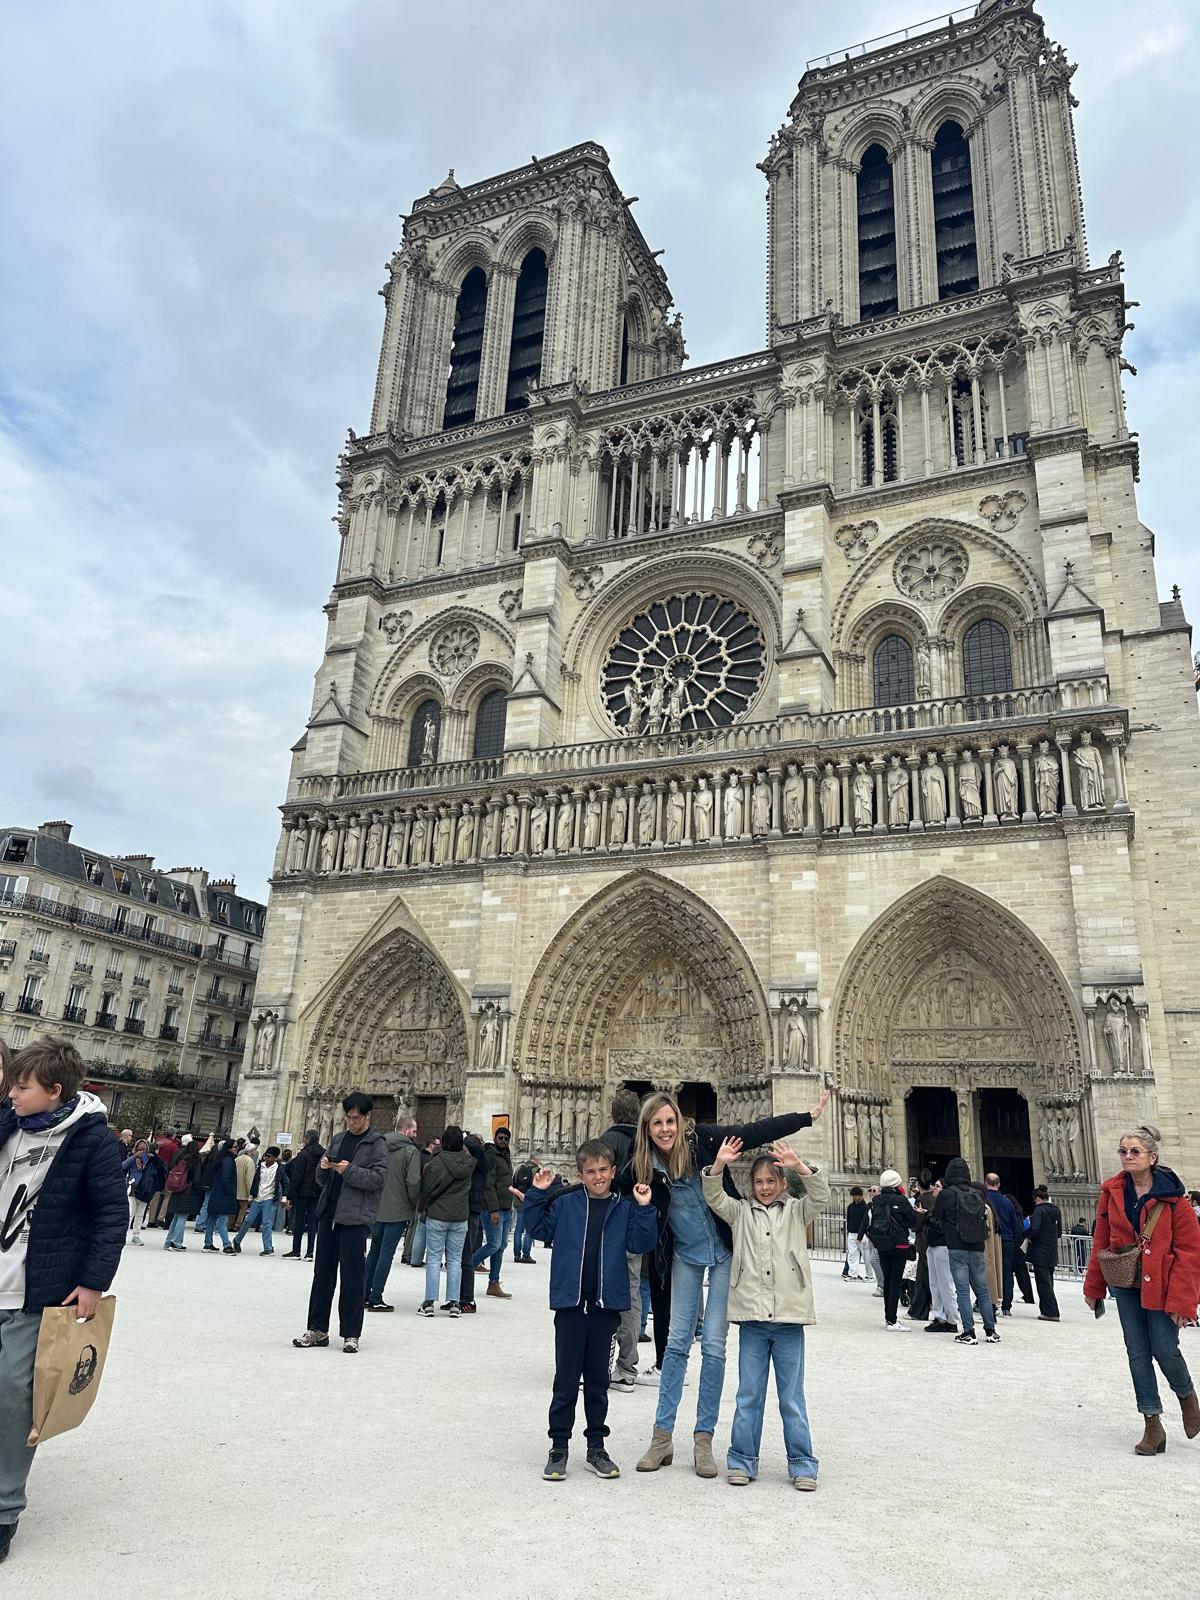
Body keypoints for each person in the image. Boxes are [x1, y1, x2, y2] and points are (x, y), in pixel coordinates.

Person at [631, 1087, 830, 1478]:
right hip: (684, 1256)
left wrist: (807, 1117)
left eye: (670, 1120)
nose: (665, 1129)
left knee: (716, 1348)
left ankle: (703, 1439)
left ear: (679, 1121)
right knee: (674, 1344)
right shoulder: (640, 1164)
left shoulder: (703, 1139)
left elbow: (754, 1130)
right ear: (647, 1128)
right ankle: (661, 1437)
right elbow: (600, 1181)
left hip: (724, 1254)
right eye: (657, 1123)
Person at [0, 1037, 126, 1564]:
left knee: (12, 1397)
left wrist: (94, 1281)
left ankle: (4, 1509)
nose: (11, 1094)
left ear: (55, 1091)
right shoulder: (5, 1125)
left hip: (36, 1291)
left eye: (22, 1087)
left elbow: (111, 1216)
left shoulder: (91, 1142)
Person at [522, 1139, 658, 1482]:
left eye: (603, 1170)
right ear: (580, 1175)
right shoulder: (567, 1204)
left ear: (613, 1172)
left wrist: (643, 1208)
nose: (598, 1176)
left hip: (604, 1307)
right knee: (565, 1381)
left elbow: (641, 1244)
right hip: (570, 1305)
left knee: (598, 1381)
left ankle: (596, 1446)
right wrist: (537, 1194)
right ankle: (558, 1447)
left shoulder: (624, 1208)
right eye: (590, 1171)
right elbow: (538, 1229)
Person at [703, 1136, 829, 1489]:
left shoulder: (796, 1210)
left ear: (783, 1183)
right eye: (758, 1182)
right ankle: (742, 1459)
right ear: (751, 1185)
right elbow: (713, 1196)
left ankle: (803, 1463)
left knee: (792, 1398)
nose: (764, 1188)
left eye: (771, 1181)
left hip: (789, 1318)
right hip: (753, 1319)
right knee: (748, 1395)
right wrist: (718, 1165)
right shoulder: (740, 1213)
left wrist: (800, 1165)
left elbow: (821, 1196)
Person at [1083, 1124, 1200, 1454]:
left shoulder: (1175, 1201)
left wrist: (1184, 1302)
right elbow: (1101, 1241)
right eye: (1123, 1151)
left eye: (1135, 1151)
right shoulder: (1112, 1193)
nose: (1127, 1157)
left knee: (1164, 1348)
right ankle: (1152, 1423)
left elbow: (1191, 1253)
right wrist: (1094, 1286)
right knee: (1137, 1353)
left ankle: (1187, 1398)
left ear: (1152, 1156)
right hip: (1126, 1283)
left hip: (1162, 1286)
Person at [292, 1093, 388, 1353]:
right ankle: (317, 1329)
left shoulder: (377, 1144)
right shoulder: (337, 1139)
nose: (351, 1122)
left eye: (356, 1118)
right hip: (328, 1214)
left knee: (353, 1278)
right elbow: (322, 1180)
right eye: (347, 1117)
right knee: (322, 1275)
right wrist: (324, 1167)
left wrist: (349, 1170)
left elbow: (378, 1179)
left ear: (368, 1116)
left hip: (354, 1218)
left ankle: (351, 1333)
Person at [597, 1088, 647, 1393]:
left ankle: (598, 1363)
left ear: (613, 1112)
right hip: (634, 1228)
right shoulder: (646, 1144)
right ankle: (627, 1368)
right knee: (630, 1296)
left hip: (605, 1227)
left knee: (599, 1293)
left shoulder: (604, 1143)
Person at [934, 1157, 999, 1345]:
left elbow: (937, 1217)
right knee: (983, 1291)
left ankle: (968, 1332)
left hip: (957, 1246)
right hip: (977, 1246)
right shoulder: (977, 1193)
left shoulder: (947, 1194)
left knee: (962, 1290)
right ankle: (990, 1331)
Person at [416, 1126, 476, 1317]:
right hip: (459, 1216)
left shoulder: (436, 1162)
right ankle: (455, 1304)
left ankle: (429, 1303)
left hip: (438, 1214)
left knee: (433, 1258)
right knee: (455, 1260)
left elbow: (426, 1188)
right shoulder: (469, 1163)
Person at [365, 1112, 421, 1311]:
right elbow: (413, 1183)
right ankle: (376, 1297)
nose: (415, 1134)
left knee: (374, 1250)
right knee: (387, 1253)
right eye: (414, 1131)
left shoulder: (377, 1145)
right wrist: (415, 1202)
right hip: (398, 1210)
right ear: (405, 1130)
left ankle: (363, 1293)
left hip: (376, 1206)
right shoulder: (410, 1151)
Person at [866, 1170, 922, 1330]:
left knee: (887, 1280)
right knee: (896, 1281)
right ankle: (892, 1319)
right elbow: (912, 1222)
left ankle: (888, 1317)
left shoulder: (877, 1200)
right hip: (899, 1244)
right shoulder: (902, 1200)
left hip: (883, 1244)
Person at [472, 1124, 516, 1298]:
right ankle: (467, 1264)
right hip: (493, 1208)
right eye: (500, 1138)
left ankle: (493, 1283)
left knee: (501, 1246)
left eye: (506, 1138)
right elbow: (489, 1184)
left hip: (505, 1207)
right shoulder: (491, 1155)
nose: (503, 1141)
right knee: (494, 1244)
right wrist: (493, 1210)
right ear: (495, 1138)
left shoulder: (506, 1156)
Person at [918, 1179, 958, 1333]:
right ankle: (939, 1316)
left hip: (942, 1246)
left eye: (937, 1186)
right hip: (932, 1245)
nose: (933, 1188)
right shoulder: (936, 1204)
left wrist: (927, 1216)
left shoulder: (947, 1205)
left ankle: (952, 1319)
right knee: (934, 1283)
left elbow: (944, 1226)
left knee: (945, 1283)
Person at [459, 1131, 492, 1312]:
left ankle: (467, 1299)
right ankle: (458, 1296)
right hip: (464, 1209)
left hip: (471, 1211)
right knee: (460, 1256)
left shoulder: (478, 1167)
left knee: (465, 1255)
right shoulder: (472, 1166)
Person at [233, 1146, 287, 1255]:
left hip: (269, 1197)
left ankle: (268, 1247)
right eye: (265, 1155)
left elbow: (285, 1183)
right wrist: (251, 1196)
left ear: (275, 1158)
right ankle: (237, 1240)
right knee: (248, 1220)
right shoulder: (260, 1166)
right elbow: (255, 1181)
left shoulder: (279, 1169)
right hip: (257, 1197)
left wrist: (284, 1197)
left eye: (269, 1156)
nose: (266, 1158)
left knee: (267, 1223)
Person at [984, 1173, 1021, 1316]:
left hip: (991, 1240)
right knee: (1007, 1273)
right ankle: (1006, 1305)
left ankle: (991, 1302)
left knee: (990, 1271)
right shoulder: (1007, 1202)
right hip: (1007, 1240)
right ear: (998, 1184)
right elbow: (1015, 1224)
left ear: (986, 1183)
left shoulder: (985, 1200)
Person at [283, 1130, 324, 1259]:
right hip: (317, 1191)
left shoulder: (304, 1154)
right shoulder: (324, 1153)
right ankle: (310, 1252)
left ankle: (296, 1251)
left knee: (299, 1220)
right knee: (313, 1222)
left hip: (303, 1191)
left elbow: (296, 1176)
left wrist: (290, 1195)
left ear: (307, 1138)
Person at [1025, 1185, 1062, 1321]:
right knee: (1049, 1281)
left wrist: (1025, 1234)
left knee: (1043, 1283)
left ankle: (1050, 1311)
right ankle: (1048, 1309)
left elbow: (1034, 1229)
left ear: (1038, 1198)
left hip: (1040, 1251)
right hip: (1052, 1251)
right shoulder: (1056, 1210)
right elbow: (1059, 1232)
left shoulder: (1039, 1211)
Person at [122, 1138, 165, 1246]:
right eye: (140, 1149)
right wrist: (134, 1156)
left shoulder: (150, 1159)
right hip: (133, 1189)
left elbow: (162, 1168)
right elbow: (122, 1166)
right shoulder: (133, 1159)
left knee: (140, 1214)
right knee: (131, 1213)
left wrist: (154, 1158)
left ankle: (136, 1235)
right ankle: (124, 1235)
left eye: (144, 1149)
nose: (142, 1151)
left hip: (146, 1189)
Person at [202, 1138, 240, 1254]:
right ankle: (227, 1245)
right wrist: (231, 1192)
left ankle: (208, 1243)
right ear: (229, 1148)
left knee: (212, 1217)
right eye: (235, 1147)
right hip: (223, 1193)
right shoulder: (228, 1160)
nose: (237, 1149)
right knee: (223, 1219)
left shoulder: (221, 1158)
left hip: (216, 1191)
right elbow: (226, 1178)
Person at [164, 1140, 203, 1250]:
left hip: (177, 1190)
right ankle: (176, 1242)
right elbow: (196, 1178)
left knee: (176, 1217)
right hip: (188, 1191)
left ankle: (168, 1241)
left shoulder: (179, 1157)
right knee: (182, 1217)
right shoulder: (195, 1160)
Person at [511, 1149, 542, 1264]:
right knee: (529, 1229)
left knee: (518, 1228)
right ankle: (526, 1254)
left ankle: (516, 1254)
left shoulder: (520, 1167)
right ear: (536, 1159)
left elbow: (513, 1182)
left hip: (519, 1201)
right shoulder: (537, 1170)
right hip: (530, 1203)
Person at [844, 1186, 869, 1281]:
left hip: (862, 1234)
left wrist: (862, 1234)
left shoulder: (865, 1207)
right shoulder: (850, 1207)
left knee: (866, 1256)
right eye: (853, 1196)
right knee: (852, 1255)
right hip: (852, 1233)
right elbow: (848, 1219)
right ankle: (853, 1274)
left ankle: (869, 1275)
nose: (854, 1197)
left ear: (861, 1196)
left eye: (856, 1196)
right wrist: (849, 1230)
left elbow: (865, 1221)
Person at [233, 1139, 255, 1233]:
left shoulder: (237, 1159)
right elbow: (249, 1178)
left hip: (235, 1187)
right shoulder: (250, 1161)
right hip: (243, 1189)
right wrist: (250, 1192)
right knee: (243, 1208)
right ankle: (238, 1225)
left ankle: (230, 1223)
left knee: (233, 1208)